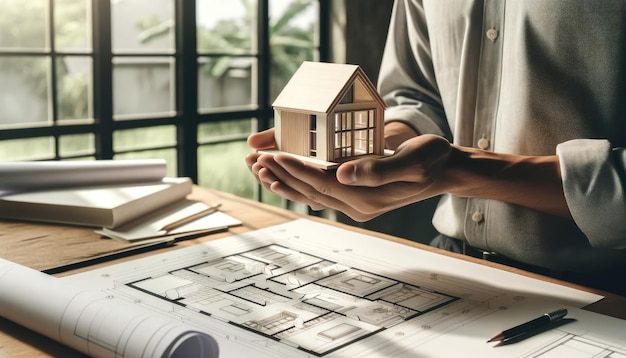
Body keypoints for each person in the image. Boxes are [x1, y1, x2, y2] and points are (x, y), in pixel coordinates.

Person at [246, 0, 626, 294]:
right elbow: (417, 95)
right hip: (450, 261)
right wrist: (381, 146)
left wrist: (459, 171)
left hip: (605, 286)